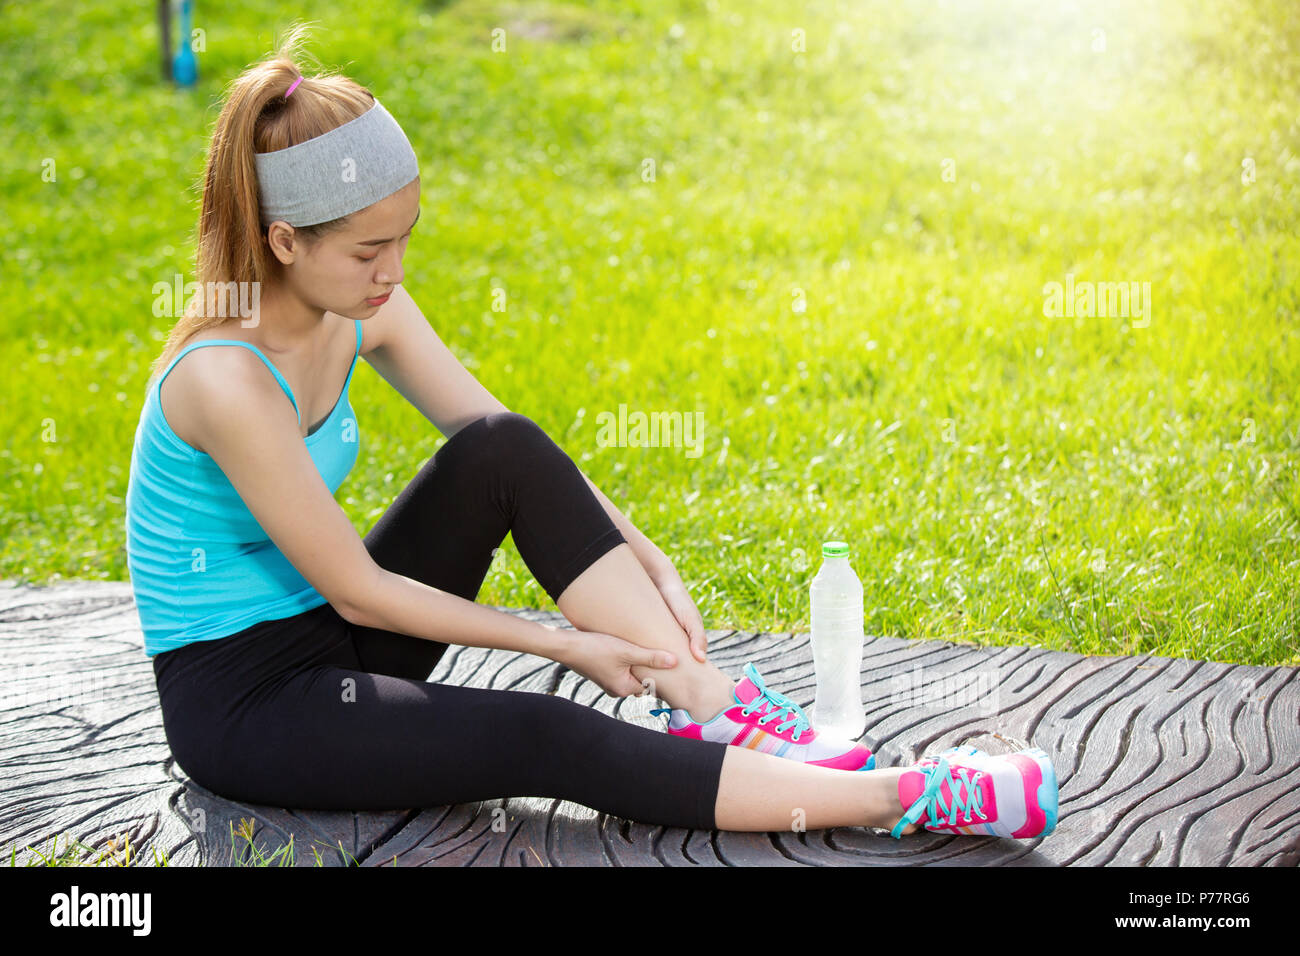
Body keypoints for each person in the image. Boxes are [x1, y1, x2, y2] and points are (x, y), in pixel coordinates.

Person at [124, 25, 1058, 842]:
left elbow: (505, 447)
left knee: (501, 445)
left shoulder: (364, 307)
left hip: (330, 639)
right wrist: (562, 644)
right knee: (541, 732)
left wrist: (640, 553)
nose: (393, 271)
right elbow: (363, 592)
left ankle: (713, 709)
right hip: (249, 706)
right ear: (285, 242)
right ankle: (909, 796)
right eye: (370, 251)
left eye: (404, 238)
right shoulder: (225, 380)